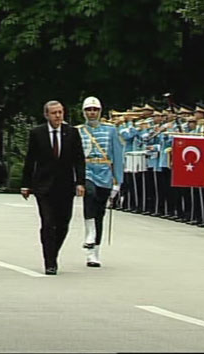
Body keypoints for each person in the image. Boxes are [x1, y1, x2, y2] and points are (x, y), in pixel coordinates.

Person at [21, 100, 86, 275]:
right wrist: (25, 184)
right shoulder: (38, 133)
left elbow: (79, 159)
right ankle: (49, 261)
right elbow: (30, 159)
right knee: (48, 223)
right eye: (54, 113)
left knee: (63, 223)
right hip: (44, 186)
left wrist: (80, 182)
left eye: (60, 112)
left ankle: (53, 251)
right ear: (46, 115)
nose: (58, 116)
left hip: (65, 186)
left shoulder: (72, 133)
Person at [76, 96, 124, 267]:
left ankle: (94, 252)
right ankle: (89, 234)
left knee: (100, 212)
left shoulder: (110, 130)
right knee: (89, 195)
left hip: (104, 172)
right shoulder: (79, 131)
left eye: (95, 110)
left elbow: (118, 156)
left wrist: (118, 182)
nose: (92, 113)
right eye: (89, 110)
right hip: (87, 171)